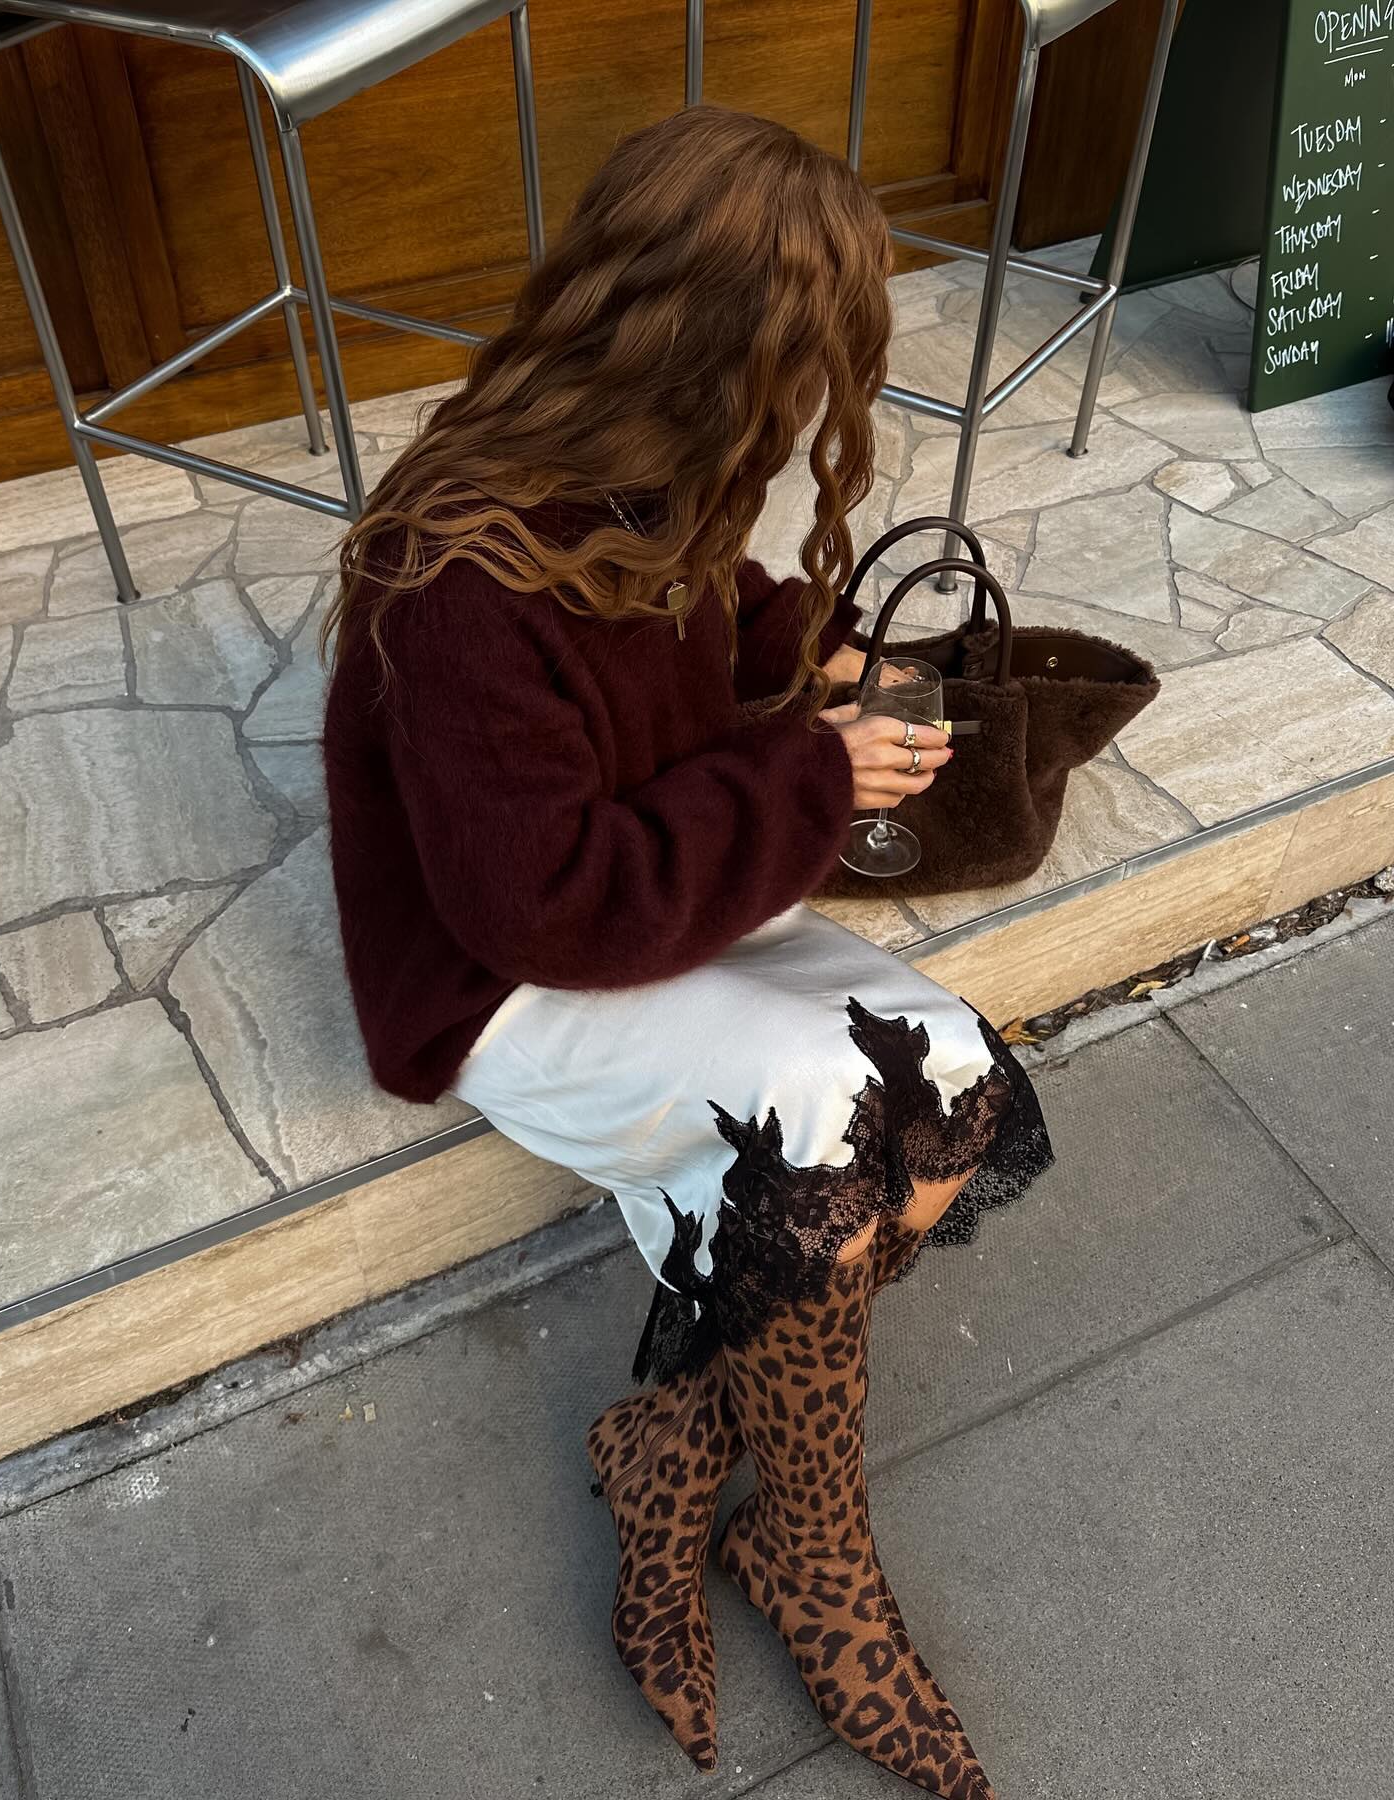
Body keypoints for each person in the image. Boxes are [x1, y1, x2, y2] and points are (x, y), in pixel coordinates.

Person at [323, 105, 1052, 1799]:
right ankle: (813, 1556)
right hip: (511, 973)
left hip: (658, 877)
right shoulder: (458, 568)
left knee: (947, 1086)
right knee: (815, 1114)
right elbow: (542, 906)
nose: (803, 414)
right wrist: (810, 777)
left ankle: (671, 1446)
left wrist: (830, 664)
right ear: (705, 340)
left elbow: (716, 603)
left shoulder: (657, 454)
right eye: (796, 364)